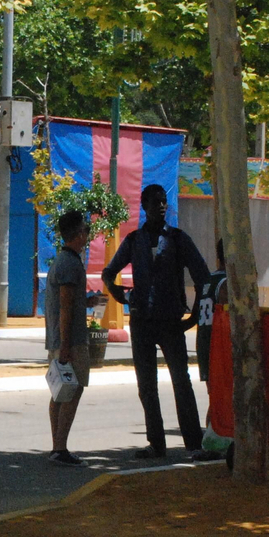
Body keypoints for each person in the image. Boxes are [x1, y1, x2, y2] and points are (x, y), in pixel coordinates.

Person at [103, 184, 211, 460]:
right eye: (155, 202)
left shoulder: (177, 238)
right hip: (141, 322)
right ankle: (156, 443)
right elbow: (109, 272)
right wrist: (122, 297)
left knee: (181, 382)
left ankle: (194, 443)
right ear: (144, 205)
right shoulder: (134, 239)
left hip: (171, 321)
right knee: (146, 384)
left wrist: (194, 316)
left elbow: (202, 277)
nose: (161, 206)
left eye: (164, 202)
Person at [45, 210, 93, 466]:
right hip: (70, 341)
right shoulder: (70, 264)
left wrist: (88, 301)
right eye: (85, 229)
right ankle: (60, 447)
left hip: (60, 340)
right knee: (71, 391)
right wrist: (66, 345)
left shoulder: (63, 261)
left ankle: (56, 446)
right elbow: (65, 307)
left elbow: (70, 302)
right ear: (79, 233)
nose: (87, 233)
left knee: (60, 393)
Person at [196, 239, 228, 384]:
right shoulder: (226, 283)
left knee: (215, 396)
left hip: (204, 341)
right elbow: (229, 317)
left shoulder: (207, 279)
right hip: (219, 345)